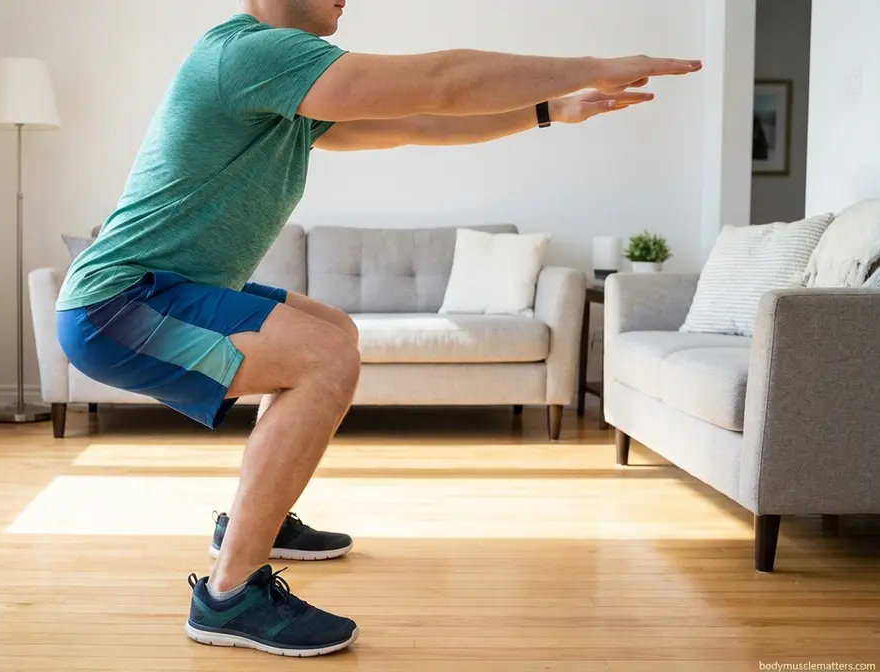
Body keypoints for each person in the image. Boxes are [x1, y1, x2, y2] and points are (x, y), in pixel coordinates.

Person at [55, 0, 702, 658]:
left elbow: (416, 120)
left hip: (155, 294)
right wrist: (587, 68)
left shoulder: (278, 83)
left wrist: (545, 111)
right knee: (324, 358)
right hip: (120, 303)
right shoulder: (250, 55)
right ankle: (229, 593)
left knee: (330, 330)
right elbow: (442, 81)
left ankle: (254, 525)